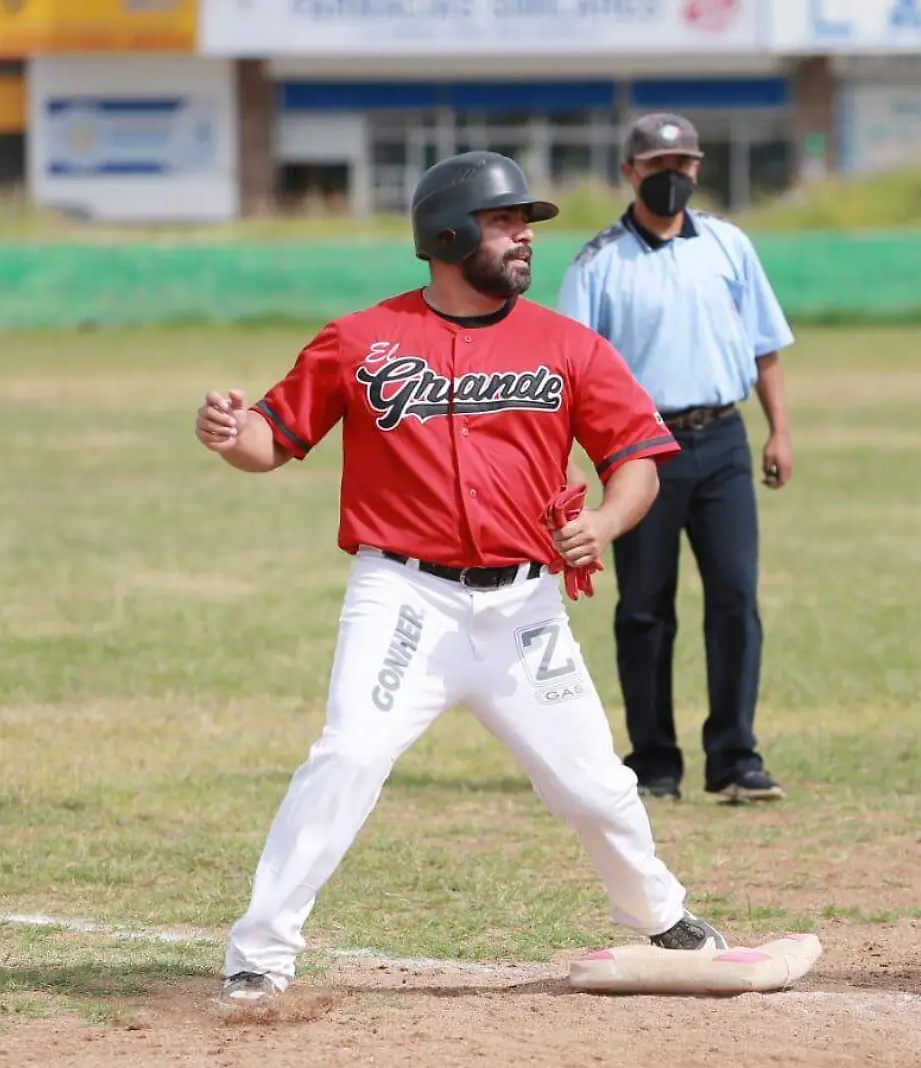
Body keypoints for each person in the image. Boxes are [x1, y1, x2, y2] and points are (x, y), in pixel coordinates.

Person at [194, 150, 729, 1003]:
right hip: (404, 597)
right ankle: (260, 951)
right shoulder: (361, 340)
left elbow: (636, 464)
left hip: (524, 608)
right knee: (348, 757)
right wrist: (230, 436)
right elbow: (272, 440)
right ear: (447, 233)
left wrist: (604, 522)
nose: (523, 238)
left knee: (592, 784)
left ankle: (661, 915)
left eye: (526, 224)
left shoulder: (566, 343)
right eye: (505, 221)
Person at [556, 113, 795, 806]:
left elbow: (764, 345)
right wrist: (570, 462)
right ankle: (655, 761)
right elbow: (567, 371)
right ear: (630, 173)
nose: (671, 178)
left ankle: (735, 757)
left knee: (734, 598)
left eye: (683, 165)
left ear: (697, 170)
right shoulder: (598, 261)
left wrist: (779, 430)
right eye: (657, 167)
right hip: (637, 450)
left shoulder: (728, 245)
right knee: (645, 607)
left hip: (723, 436)